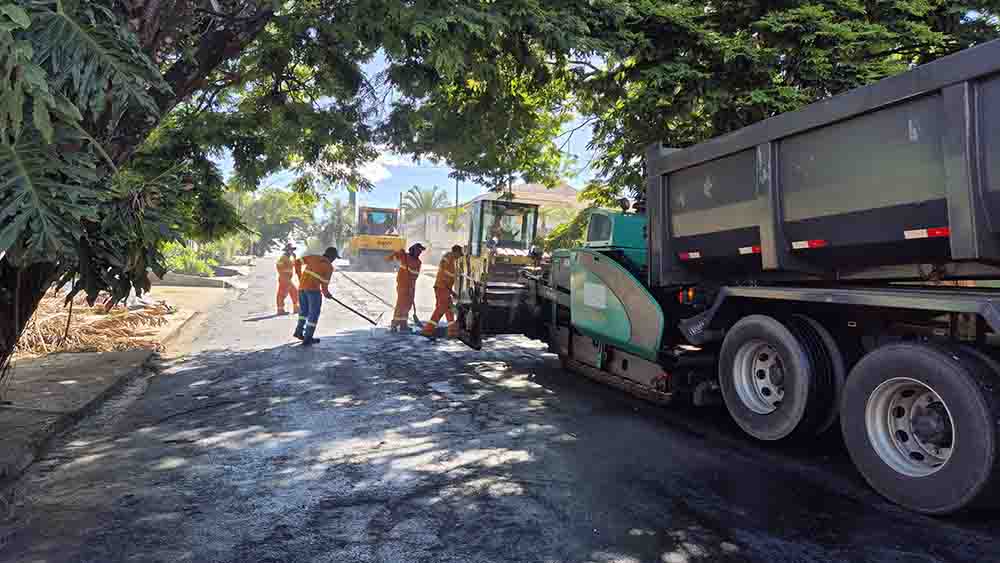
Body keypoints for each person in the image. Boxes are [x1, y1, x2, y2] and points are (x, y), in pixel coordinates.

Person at [293, 247, 338, 346]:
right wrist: (327, 294)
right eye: (335, 258)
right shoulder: (329, 267)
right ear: (332, 257)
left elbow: (296, 262)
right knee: (313, 314)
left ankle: (298, 332)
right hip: (313, 291)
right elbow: (324, 287)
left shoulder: (313, 257)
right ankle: (308, 338)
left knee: (303, 312)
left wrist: (300, 276)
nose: (334, 260)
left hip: (301, 289)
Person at [423, 245, 463, 338]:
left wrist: (452, 292)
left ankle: (452, 332)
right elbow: (443, 266)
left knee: (448, 309)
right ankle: (427, 330)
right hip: (441, 287)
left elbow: (449, 278)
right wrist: (448, 288)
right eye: (459, 254)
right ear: (455, 252)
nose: (459, 256)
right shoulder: (448, 257)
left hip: (445, 288)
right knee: (441, 309)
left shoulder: (453, 260)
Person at [385, 242, 425, 331]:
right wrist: (398, 253)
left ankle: (403, 324)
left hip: (411, 286)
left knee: (408, 305)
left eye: (420, 251)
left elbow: (415, 276)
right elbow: (392, 257)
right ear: (413, 250)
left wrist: (411, 287)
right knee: (401, 305)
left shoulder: (418, 262)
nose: (420, 253)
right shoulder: (405, 256)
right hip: (403, 285)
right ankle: (394, 324)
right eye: (418, 251)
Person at [275, 243, 300, 315]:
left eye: (292, 250)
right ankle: (296, 308)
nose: (292, 251)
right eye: (290, 250)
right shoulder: (283, 257)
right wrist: (283, 274)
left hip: (286, 278)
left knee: (282, 293)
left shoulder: (288, 258)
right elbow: (278, 266)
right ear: (287, 250)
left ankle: (281, 310)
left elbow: (293, 265)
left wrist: (295, 258)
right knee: (294, 291)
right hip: (284, 278)